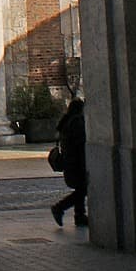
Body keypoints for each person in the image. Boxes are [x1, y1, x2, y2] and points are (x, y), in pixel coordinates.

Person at [50, 95, 87, 228]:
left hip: (70, 162)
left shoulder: (66, 122)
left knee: (81, 188)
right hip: (76, 162)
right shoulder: (77, 122)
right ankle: (59, 207)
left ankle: (80, 216)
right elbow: (81, 143)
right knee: (83, 189)